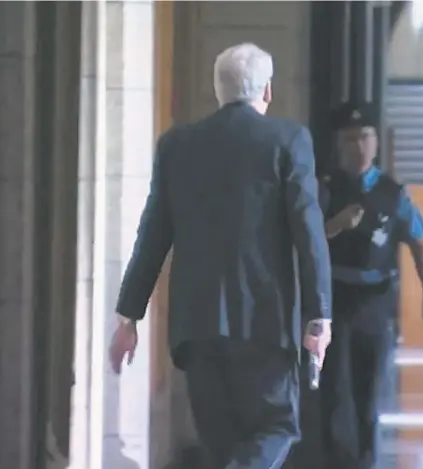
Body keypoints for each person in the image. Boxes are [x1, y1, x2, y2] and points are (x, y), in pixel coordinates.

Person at [108, 42, 333, 469]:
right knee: (276, 428)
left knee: (223, 447)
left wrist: (128, 317)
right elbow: (309, 232)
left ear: (218, 90)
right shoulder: (288, 140)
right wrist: (318, 317)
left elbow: (153, 235)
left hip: (197, 328)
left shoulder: (177, 146)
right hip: (265, 327)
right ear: (267, 91)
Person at [318, 102, 423, 469]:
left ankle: (367, 461)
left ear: (376, 143)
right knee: (335, 391)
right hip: (335, 299)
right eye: (351, 139)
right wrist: (335, 225)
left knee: (369, 392)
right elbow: (303, 244)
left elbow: (418, 240)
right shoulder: (324, 189)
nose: (358, 145)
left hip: (376, 300)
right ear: (340, 145)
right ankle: (338, 461)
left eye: (365, 137)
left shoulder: (393, 193)